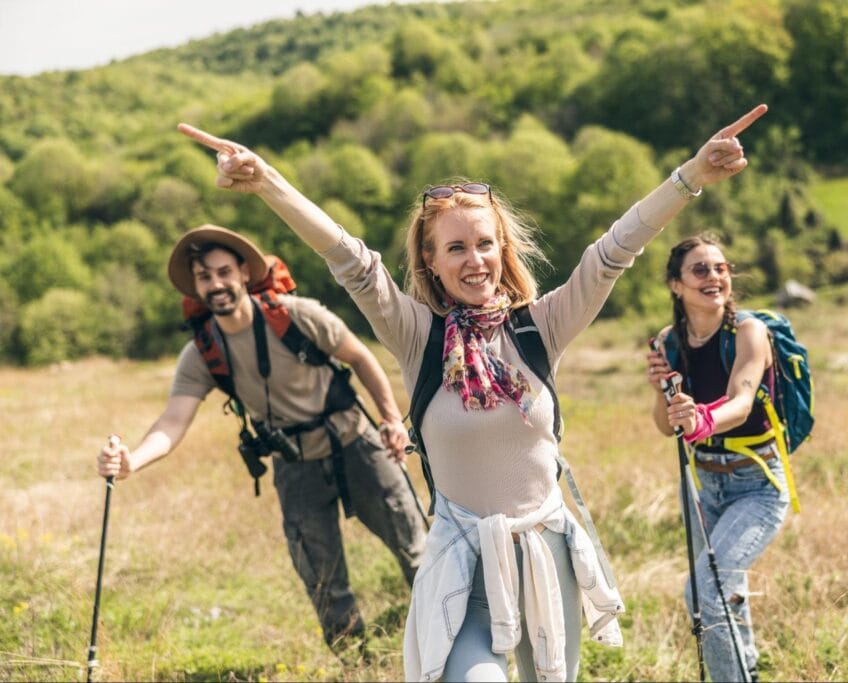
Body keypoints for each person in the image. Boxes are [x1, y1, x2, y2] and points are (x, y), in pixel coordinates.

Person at [177, 102, 766, 682]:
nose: (474, 260)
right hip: (464, 555)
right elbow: (348, 259)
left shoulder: (542, 327)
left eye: (484, 244)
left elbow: (613, 251)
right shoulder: (417, 337)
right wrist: (268, 184)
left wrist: (691, 177)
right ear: (431, 262)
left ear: (502, 250)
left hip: (546, 553)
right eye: (455, 248)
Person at [96, 225, 428, 651]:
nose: (215, 284)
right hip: (295, 462)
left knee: (414, 545)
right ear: (196, 288)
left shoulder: (294, 314)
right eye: (204, 277)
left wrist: (390, 420)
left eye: (222, 272)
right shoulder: (202, 352)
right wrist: (132, 462)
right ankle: (357, 662)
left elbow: (360, 357)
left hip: (355, 442)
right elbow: (173, 420)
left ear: (242, 274)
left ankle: (444, 634)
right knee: (320, 575)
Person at [645, 234, 791, 682]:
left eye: (721, 268)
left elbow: (741, 402)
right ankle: (747, 668)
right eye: (701, 270)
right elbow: (664, 424)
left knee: (705, 593)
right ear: (676, 284)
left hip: (757, 485)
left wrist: (701, 421)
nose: (715, 277)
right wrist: (661, 394)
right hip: (704, 485)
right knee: (725, 593)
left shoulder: (748, 331)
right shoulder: (669, 342)